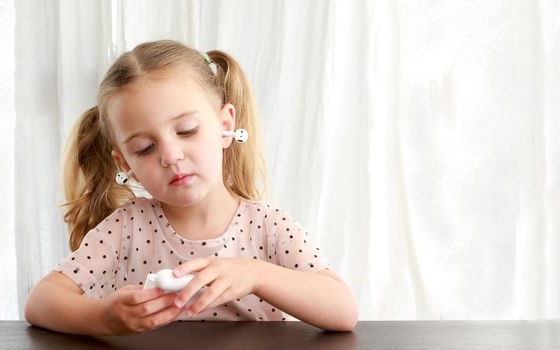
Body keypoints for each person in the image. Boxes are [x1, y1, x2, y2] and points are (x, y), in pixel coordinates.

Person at [24, 39, 358, 336]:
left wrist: (255, 274)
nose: (170, 156)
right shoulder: (127, 228)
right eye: (144, 148)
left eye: (186, 130)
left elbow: (342, 309)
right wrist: (102, 317)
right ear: (126, 164)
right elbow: (41, 301)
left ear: (225, 126)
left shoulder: (268, 226)